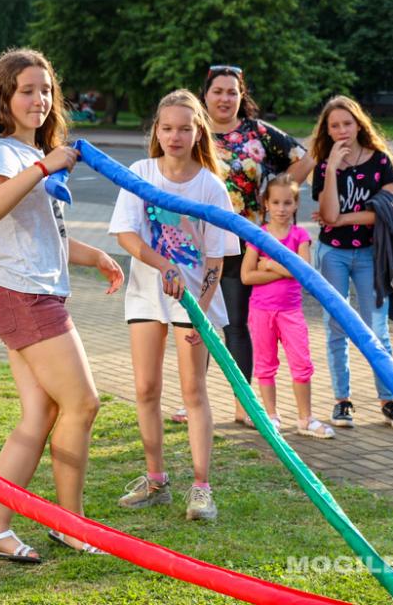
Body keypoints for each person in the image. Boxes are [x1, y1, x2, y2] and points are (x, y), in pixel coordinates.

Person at [0, 48, 123, 561]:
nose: (39, 99)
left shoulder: (29, 155)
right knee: (83, 403)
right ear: (4, 97)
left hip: (28, 295)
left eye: (46, 90)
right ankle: (71, 525)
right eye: (27, 90)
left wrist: (93, 255)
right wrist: (42, 166)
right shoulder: (4, 154)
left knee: (41, 414)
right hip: (24, 299)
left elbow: (39, 234)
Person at [110, 89, 238, 521]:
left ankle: (201, 489)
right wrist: (163, 264)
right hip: (148, 295)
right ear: (156, 131)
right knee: (146, 389)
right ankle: (156, 481)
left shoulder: (210, 186)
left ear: (198, 131)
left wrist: (199, 311)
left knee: (194, 392)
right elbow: (127, 235)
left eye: (184, 128)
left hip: (194, 300)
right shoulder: (141, 173)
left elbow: (217, 257)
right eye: (167, 128)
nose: (175, 136)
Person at [200, 65, 314, 426]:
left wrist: (273, 197)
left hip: (243, 245)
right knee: (195, 323)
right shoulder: (195, 132)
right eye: (218, 91)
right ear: (206, 94)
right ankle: (193, 400)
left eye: (232, 92)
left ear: (241, 96)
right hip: (200, 242)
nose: (224, 98)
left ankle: (243, 404)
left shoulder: (258, 133)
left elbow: (304, 159)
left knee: (236, 326)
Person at [309, 95, 393, 430]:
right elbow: (326, 213)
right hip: (332, 254)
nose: (341, 131)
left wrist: (341, 219)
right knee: (336, 326)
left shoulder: (380, 162)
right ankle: (342, 401)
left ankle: (388, 400)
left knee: (377, 329)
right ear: (327, 130)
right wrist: (333, 172)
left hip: (371, 254)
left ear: (358, 124)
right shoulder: (326, 165)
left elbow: (388, 213)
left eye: (347, 123)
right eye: (334, 125)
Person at [240, 175, 334, 439]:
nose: (282, 208)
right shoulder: (258, 236)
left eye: (288, 202)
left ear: (295, 205)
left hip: (291, 312)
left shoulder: (299, 235)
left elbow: (304, 272)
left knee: (302, 364)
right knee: (265, 365)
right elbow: (247, 276)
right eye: (276, 202)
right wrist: (286, 269)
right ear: (266, 204)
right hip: (260, 311)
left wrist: (268, 265)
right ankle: (271, 416)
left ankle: (306, 418)